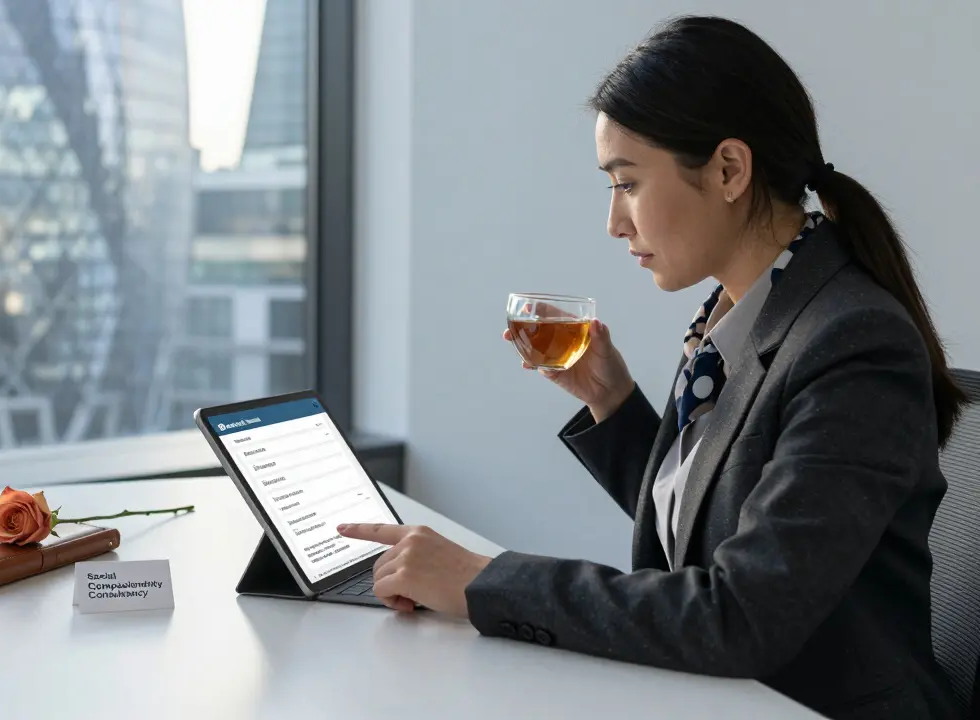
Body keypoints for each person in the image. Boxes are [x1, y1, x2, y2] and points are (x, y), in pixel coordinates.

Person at [336, 15, 967, 720]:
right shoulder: (738, 315)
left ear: (730, 169)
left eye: (627, 183)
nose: (614, 221)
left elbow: (741, 614)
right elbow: (719, 521)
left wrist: (484, 580)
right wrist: (613, 402)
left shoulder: (853, 344)